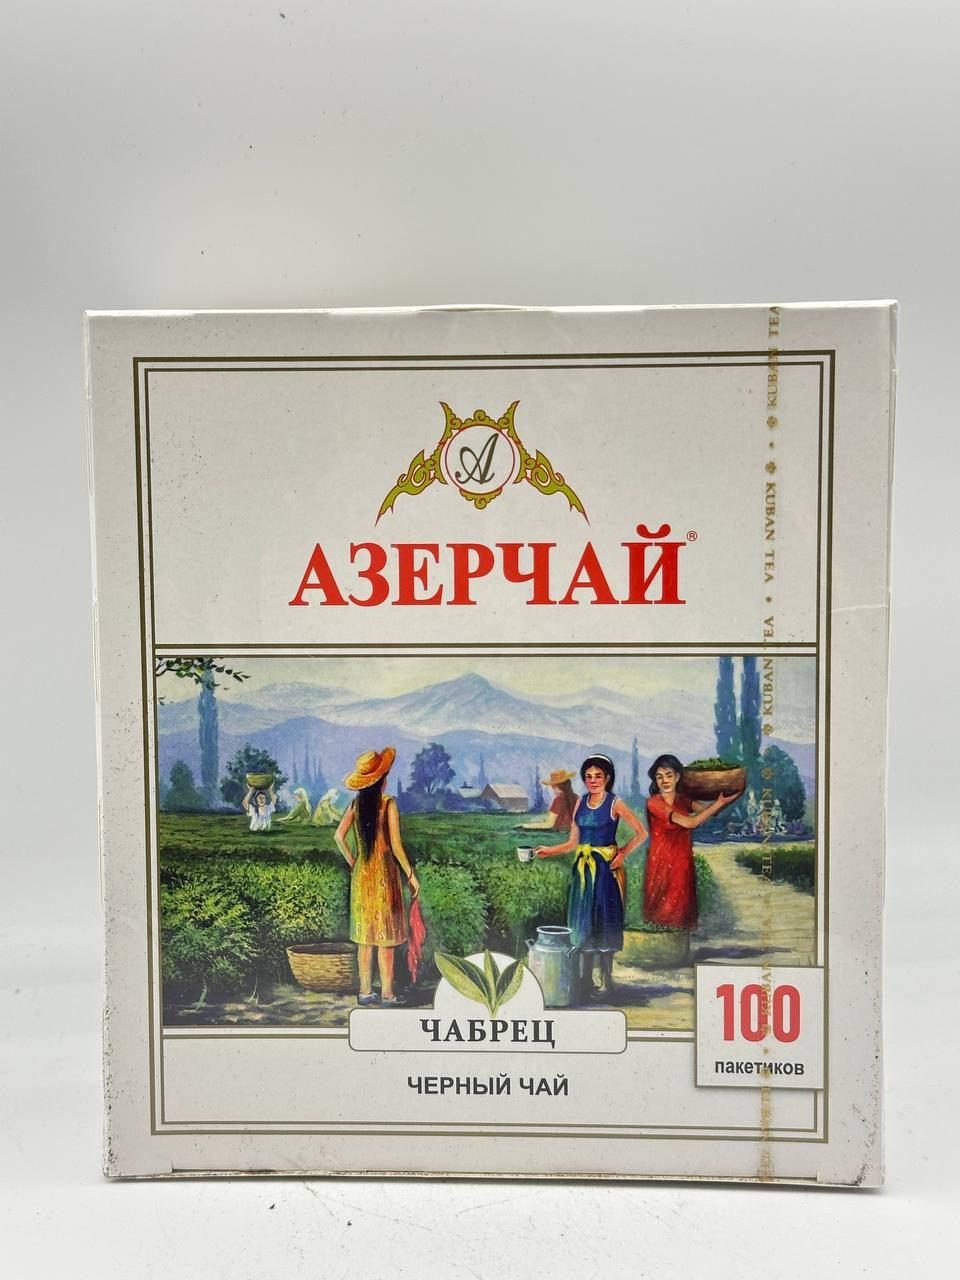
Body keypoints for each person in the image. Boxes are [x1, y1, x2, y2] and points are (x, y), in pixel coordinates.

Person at [534, 755, 647, 1001]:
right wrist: (548, 851)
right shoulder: (580, 803)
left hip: (605, 871)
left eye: (598, 776)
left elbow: (641, 833)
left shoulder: (615, 803)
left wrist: (622, 854)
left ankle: (607, 981)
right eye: (588, 776)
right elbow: (573, 842)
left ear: (607, 778)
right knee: (582, 922)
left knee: (604, 921)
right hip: (583, 871)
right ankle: (585, 980)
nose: (593, 780)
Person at [334, 748, 420, 1006]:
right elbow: (396, 847)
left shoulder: (355, 805)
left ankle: (364, 992)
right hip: (384, 876)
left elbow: (338, 837)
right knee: (385, 938)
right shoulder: (388, 804)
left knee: (365, 938)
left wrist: (354, 863)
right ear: (380, 779)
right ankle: (388, 994)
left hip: (361, 876)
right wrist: (411, 875)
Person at [643, 754, 738, 939]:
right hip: (661, 863)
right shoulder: (654, 802)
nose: (664, 781)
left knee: (681, 906)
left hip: (681, 862)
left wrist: (722, 800)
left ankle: (680, 946)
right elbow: (690, 823)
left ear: (677, 777)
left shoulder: (683, 800)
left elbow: (711, 811)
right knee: (661, 909)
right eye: (659, 776)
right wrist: (717, 804)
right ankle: (662, 945)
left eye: (669, 775)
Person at [518, 768, 578, 833]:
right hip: (572, 831)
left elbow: (549, 824)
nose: (553, 790)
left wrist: (527, 826)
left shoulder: (558, 800)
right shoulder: (576, 797)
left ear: (557, 786)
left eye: (553, 787)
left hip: (559, 832)